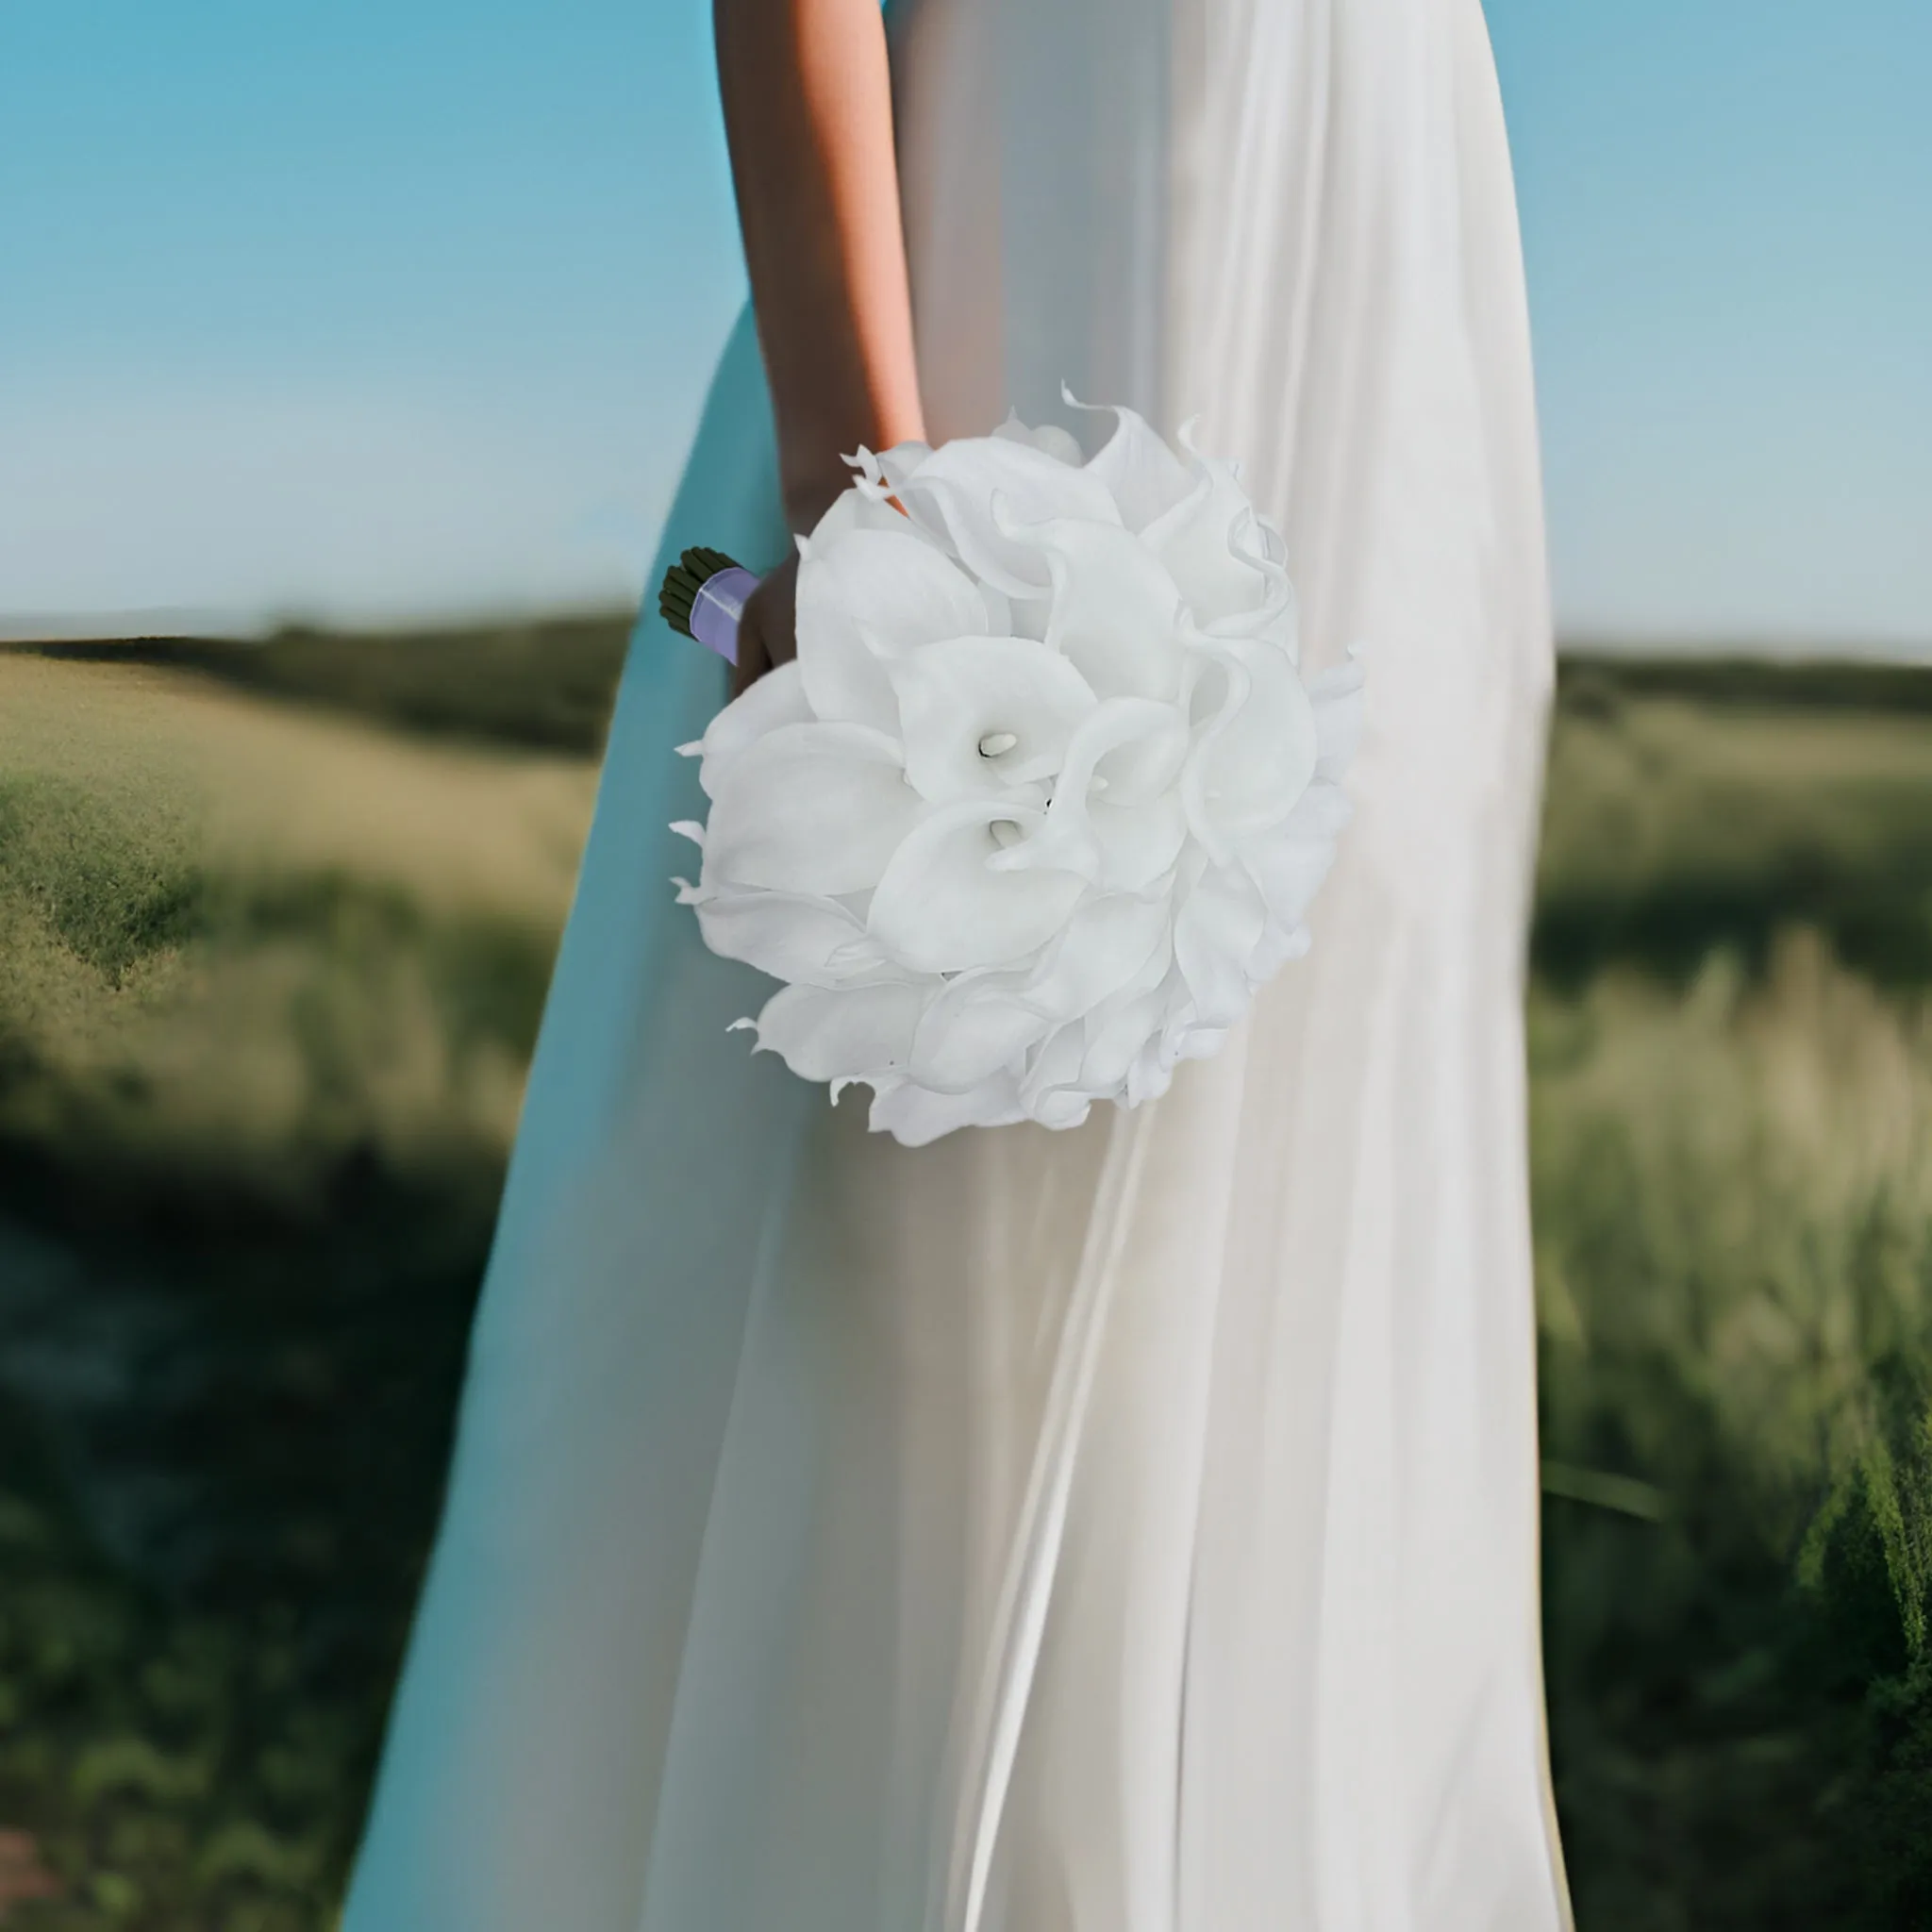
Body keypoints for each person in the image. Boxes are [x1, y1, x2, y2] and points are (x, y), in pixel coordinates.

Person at [343, 0, 1572, 1925]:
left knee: (1327, 1225)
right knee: (931, 1296)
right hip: (1025, 265)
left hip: (1381, 302)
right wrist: (867, 518)